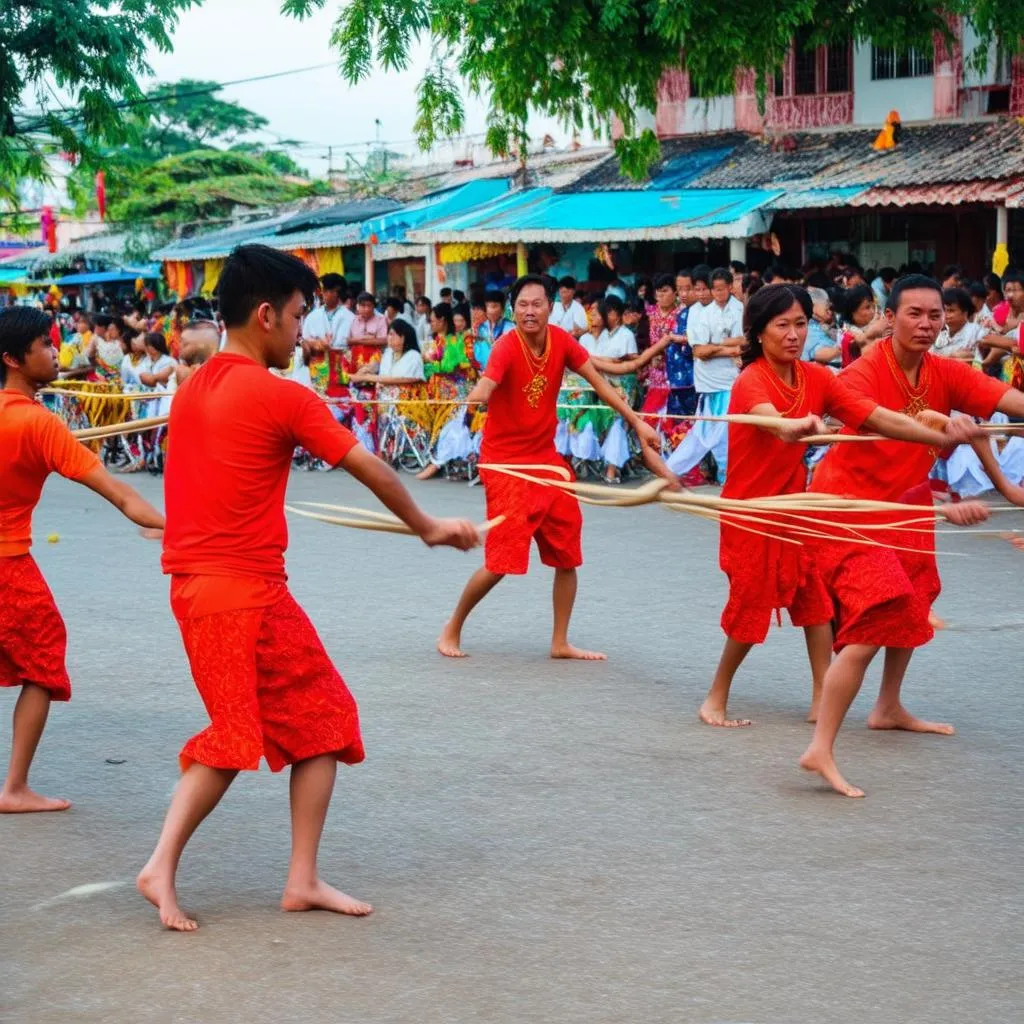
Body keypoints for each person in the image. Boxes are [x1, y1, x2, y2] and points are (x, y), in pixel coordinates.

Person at [138, 245, 479, 931]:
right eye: (297, 316)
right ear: (265, 315)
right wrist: (430, 526)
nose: (303, 331)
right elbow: (372, 468)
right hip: (241, 591)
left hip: (213, 587)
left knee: (322, 719)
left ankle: (300, 878)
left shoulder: (193, 387)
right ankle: (161, 867)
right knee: (240, 735)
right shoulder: (279, 393)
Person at [699, 285, 975, 728]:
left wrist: (939, 437)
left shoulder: (818, 378)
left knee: (815, 606)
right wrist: (797, 424)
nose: (793, 334)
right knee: (751, 604)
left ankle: (819, 697)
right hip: (753, 513)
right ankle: (716, 696)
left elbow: (875, 416)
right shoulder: (752, 379)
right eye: (782, 325)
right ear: (758, 332)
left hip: (799, 507)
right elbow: (775, 423)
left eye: (801, 324)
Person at [799, 275, 1024, 798]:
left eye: (934, 316)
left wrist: (997, 479)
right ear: (890, 317)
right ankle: (821, 747)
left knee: (917, 600)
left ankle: (888, 707)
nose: (926, 324)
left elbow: (1004, 400)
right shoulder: (859, 373)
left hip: (907, 506)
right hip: (850, 508)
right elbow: (884, 422)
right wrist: (944, 433)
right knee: (878, 614)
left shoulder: (944, 369)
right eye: (914, 315)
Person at [435, 275, 677, 661]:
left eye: (537, 304)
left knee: (567, 553)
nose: (530, 311)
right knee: (501, 562)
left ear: (550, 308)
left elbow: (600, 384)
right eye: (523, 305)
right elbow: (486, 385)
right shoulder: (505, 347)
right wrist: (475, 399)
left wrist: (637, 421)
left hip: (546, 460)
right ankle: (452, 627)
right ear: (515, 311)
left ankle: (560, 641)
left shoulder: (562, 340)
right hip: (504, 462)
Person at [0, 307, 164, 813]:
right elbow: (118, 493)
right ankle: (14, 789)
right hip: (7, 566)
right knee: (44, 663)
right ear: (12, 358)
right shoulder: (37, 424)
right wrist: (177, 530)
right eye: (45, 345)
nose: (55, 352)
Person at [667, 268, 744, 484]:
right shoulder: (702, 313)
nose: (717, 293)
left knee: (722, 433)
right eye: (714, 289)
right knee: (709, 432)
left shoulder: (740, 309)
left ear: (730, 287)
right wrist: (728, 348)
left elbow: (745, 341)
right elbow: (699, 351)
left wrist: (716, 345)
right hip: (708, 381)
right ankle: (671, 471)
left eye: (721, 289)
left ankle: (724, 475)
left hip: (731, 380)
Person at [302, 274, 354, 352]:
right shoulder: (312, 316)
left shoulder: (350, 317)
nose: (323, 293)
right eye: (323, 290)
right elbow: (305, 341)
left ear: (337, 293)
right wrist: (316, 344)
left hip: (343, 361)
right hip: (317, 361)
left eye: (326, 291)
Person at [347, 292, 389, 370]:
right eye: (363, 305)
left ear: (373, 306)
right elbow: (347, 341)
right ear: (357, 306)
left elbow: (384, 341)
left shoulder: (381, 319)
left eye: (369, 305)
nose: (367, 309)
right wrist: (368, 338)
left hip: (375, 361)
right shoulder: (353, 320)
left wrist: (356, 341)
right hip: (355, 359)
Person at [174, 320, 220, 387]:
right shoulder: (182, 369)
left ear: (202, 346)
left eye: (185, 343)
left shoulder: (216, 376)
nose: (179, 346)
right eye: (180, 341)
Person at [802, 288, 841, 368]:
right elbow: (820, 354)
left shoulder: (816, 325)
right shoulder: (809, 328)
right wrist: (842, 346)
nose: (829, 311)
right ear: (814, 306)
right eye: (826, 306)